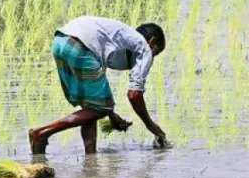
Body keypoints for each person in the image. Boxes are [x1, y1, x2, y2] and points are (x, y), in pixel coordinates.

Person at [28, 16, 168, 155]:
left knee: (91, 108)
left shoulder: (120, 39)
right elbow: (134, 94)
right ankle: (42, 133)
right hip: (80, 46)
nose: (151, 58)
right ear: (152, 42)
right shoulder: (143, 47)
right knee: (99, 108)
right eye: (155, 53)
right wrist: (152, 126)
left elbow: (98, 85)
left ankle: (89, 161)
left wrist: (111, 115)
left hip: (60, 41)